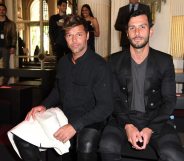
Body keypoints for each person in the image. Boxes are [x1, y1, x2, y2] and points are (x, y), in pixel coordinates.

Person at [13, 14, 113, 161]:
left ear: (87, 36)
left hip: (91, 119)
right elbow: (58, 90)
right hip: (64, 115)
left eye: (78, 35)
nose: (74, 40)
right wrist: (44, 106)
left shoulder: (99, 66)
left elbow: (105, 107)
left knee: (85, 144)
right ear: (65, 38)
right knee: (20, 136)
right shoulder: (63, 63)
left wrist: (74, 126)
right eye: (69, 35)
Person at [99, 10, 184, 161]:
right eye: (132, 28)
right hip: (122, 119)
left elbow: (169, 100)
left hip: (156, 119)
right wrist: (127, 125)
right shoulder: (114, 61)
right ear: (126, 33)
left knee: (174, 155)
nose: (137, 32)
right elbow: (114, 98)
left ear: (151, 31)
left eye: (142, 27)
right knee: (107, 146)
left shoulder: (164, 61)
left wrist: (151, 128)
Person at [0, 4, 17, 84]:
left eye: (3, 9)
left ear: (5, 11)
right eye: (0, 9)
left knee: (6, 66)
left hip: (6, 47)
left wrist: (13, 46)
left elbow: (14, 36)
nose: (1, 11)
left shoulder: (11, 23)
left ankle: (3, 84)